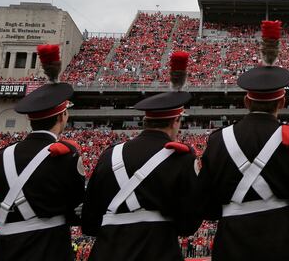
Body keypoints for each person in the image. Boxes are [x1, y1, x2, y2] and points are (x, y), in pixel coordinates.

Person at [196, 20, 289, 260]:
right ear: (282, 103)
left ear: (246, 102)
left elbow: (207, 208)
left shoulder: (218, 141)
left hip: (231, 245)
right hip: (283, 245)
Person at [82, 51, 202, 260]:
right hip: (158, 249)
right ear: (175, 121)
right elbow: (188, 225)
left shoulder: (109, 155)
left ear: (146, 121)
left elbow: (90, 222)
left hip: (107, 251)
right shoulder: (181, 157)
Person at [0, 44, 85, 261]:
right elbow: (76, 209)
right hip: (48, 246)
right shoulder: (65, 153)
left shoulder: (1, 156)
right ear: (62, 117)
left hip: (4, 249)